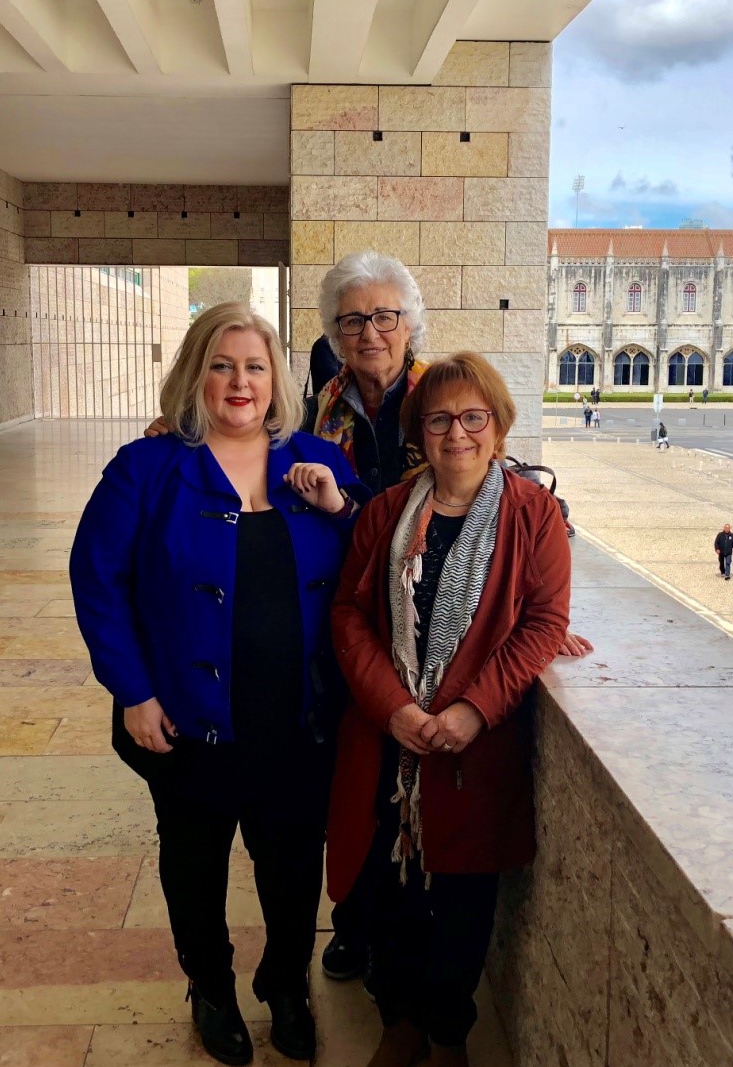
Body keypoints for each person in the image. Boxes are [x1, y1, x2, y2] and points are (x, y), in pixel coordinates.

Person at [149, 253, 593, 984]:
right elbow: (255, 445)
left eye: (384, 316)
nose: (370, 332)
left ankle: (409, 975)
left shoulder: (443, 392)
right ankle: (357, 929)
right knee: (347, 801)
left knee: (431, 839)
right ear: (334, 332)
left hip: (436, 638)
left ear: (408, 323)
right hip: (342, 638)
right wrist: (185, 428)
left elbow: (497, 494)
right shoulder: (318, 406)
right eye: (353, 320)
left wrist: (534, 613)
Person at [70, 304, 369, 1067]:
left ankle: (285, 985)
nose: (240, 382)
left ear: (278, 383)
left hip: (297, 720)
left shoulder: (320, 464)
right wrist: (133, 693)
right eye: (222, 365)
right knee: (194, 865)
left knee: (295, 864)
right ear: (195, 376)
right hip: (185, 720)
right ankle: (209, 986)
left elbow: (374, 565)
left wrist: (339, 510)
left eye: (256, 367)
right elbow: (97, 581)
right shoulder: (147, 467)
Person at [328, 352, 571, 1067]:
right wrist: (394, 709)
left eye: (474, 418)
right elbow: (349, 617)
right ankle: (395, 1024)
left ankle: (445, 1032)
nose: (457, 433)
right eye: (438, 419)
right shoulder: (385, 514)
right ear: (418, 434)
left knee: (463, 905)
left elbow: (543, 624)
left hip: (473, 751)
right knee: (385, 897)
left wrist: (471, 710)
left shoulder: (534, 515)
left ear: (497, 429)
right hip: (389, 744)